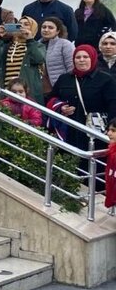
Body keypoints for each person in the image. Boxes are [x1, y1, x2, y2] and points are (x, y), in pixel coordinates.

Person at [47, 45, 116, 186]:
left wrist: (110, 128)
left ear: (92, 58)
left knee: (95, 164)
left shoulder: (105, 80)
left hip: (95, 132)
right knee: (70, 160)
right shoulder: (65, 78)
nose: (81, 60)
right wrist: (61, 107)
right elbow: (51, 98)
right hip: (70, 131)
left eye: (85, 57)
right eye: (78, 57)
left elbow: (113, 104)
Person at [0, 16, 46, 103]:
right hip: (8, 91)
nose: (22, 27)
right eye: (19, 24)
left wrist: (30, 40)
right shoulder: (8, 45)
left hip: (27, 92)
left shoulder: (37, 45)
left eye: (26, 25)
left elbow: (38, 59)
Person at [41, 17, 74, 93]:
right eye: (44, 27)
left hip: (60, 87)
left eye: (50, 28)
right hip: (40, 89)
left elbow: (71, 68)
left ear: (57, 31)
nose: (46, 30)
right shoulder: (37, 45)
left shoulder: (65, 44)